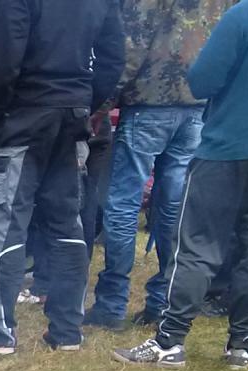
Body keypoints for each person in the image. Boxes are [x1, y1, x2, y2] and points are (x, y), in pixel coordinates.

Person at [115, 0, 248, 369]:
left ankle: (170, 340)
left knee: (197, 244)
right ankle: (242, 345)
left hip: (227, 148)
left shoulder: (247, 14)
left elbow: (202, 80)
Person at [0, 0, 123, 354]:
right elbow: (113, 57)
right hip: (72, 113)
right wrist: (84, 100)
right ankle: (67, 329)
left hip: (25, 113)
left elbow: (5, 56)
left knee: (7, 220)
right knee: (67, 222)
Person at [86, 0, 232, 328]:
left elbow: (131, 47)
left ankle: (111, 304)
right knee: (172, 208)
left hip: (149, 102)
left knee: (124, 205)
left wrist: (103, 103)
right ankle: (163, 301)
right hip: (196, 104)